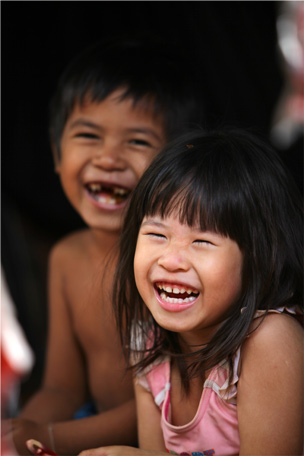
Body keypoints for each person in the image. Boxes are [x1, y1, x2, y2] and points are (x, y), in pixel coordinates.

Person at [3, 35, 204, 455]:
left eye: (136, 142)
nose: (108, 158)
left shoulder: (170, 269)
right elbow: (62, 386)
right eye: (89, 136)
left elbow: (167, 404)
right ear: (57, 155)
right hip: (87, 426)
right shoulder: (66, 257)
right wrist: (25, 430)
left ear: (175, 167)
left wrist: (50, 438)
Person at [79, 129, 303, 456]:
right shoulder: (147, 342)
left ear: (258, 258)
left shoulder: (269, 340)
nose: (171, 261)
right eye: (157, 234)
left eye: (202, 242)